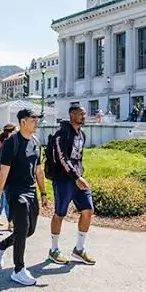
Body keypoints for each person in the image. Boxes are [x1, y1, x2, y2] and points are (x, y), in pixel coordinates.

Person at [0, 108, 49, 285]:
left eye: (37, 119)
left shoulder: (36, 142)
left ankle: (0, 246)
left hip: (31, 191)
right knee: (22, 228)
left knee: (29, 230)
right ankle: (18, 269)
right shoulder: (11, 143)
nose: (36, 122)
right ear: (23, 122)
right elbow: (3, 172)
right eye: (33, 119)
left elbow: (38, 170)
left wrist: (44, 193)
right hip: (15, 191)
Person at [47, 104, 96, 265]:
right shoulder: (61, 135)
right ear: (72, 115)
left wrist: (80, 174)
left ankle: (79, 249)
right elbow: (63, 159)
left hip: (78, 179)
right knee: (60, 214)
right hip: (63, 180)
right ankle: (54, 250)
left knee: (88, 210)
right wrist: (76, 177)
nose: (84, 116)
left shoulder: (82, 135)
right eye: (81, 114)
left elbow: (78, 158)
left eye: (84, 114)